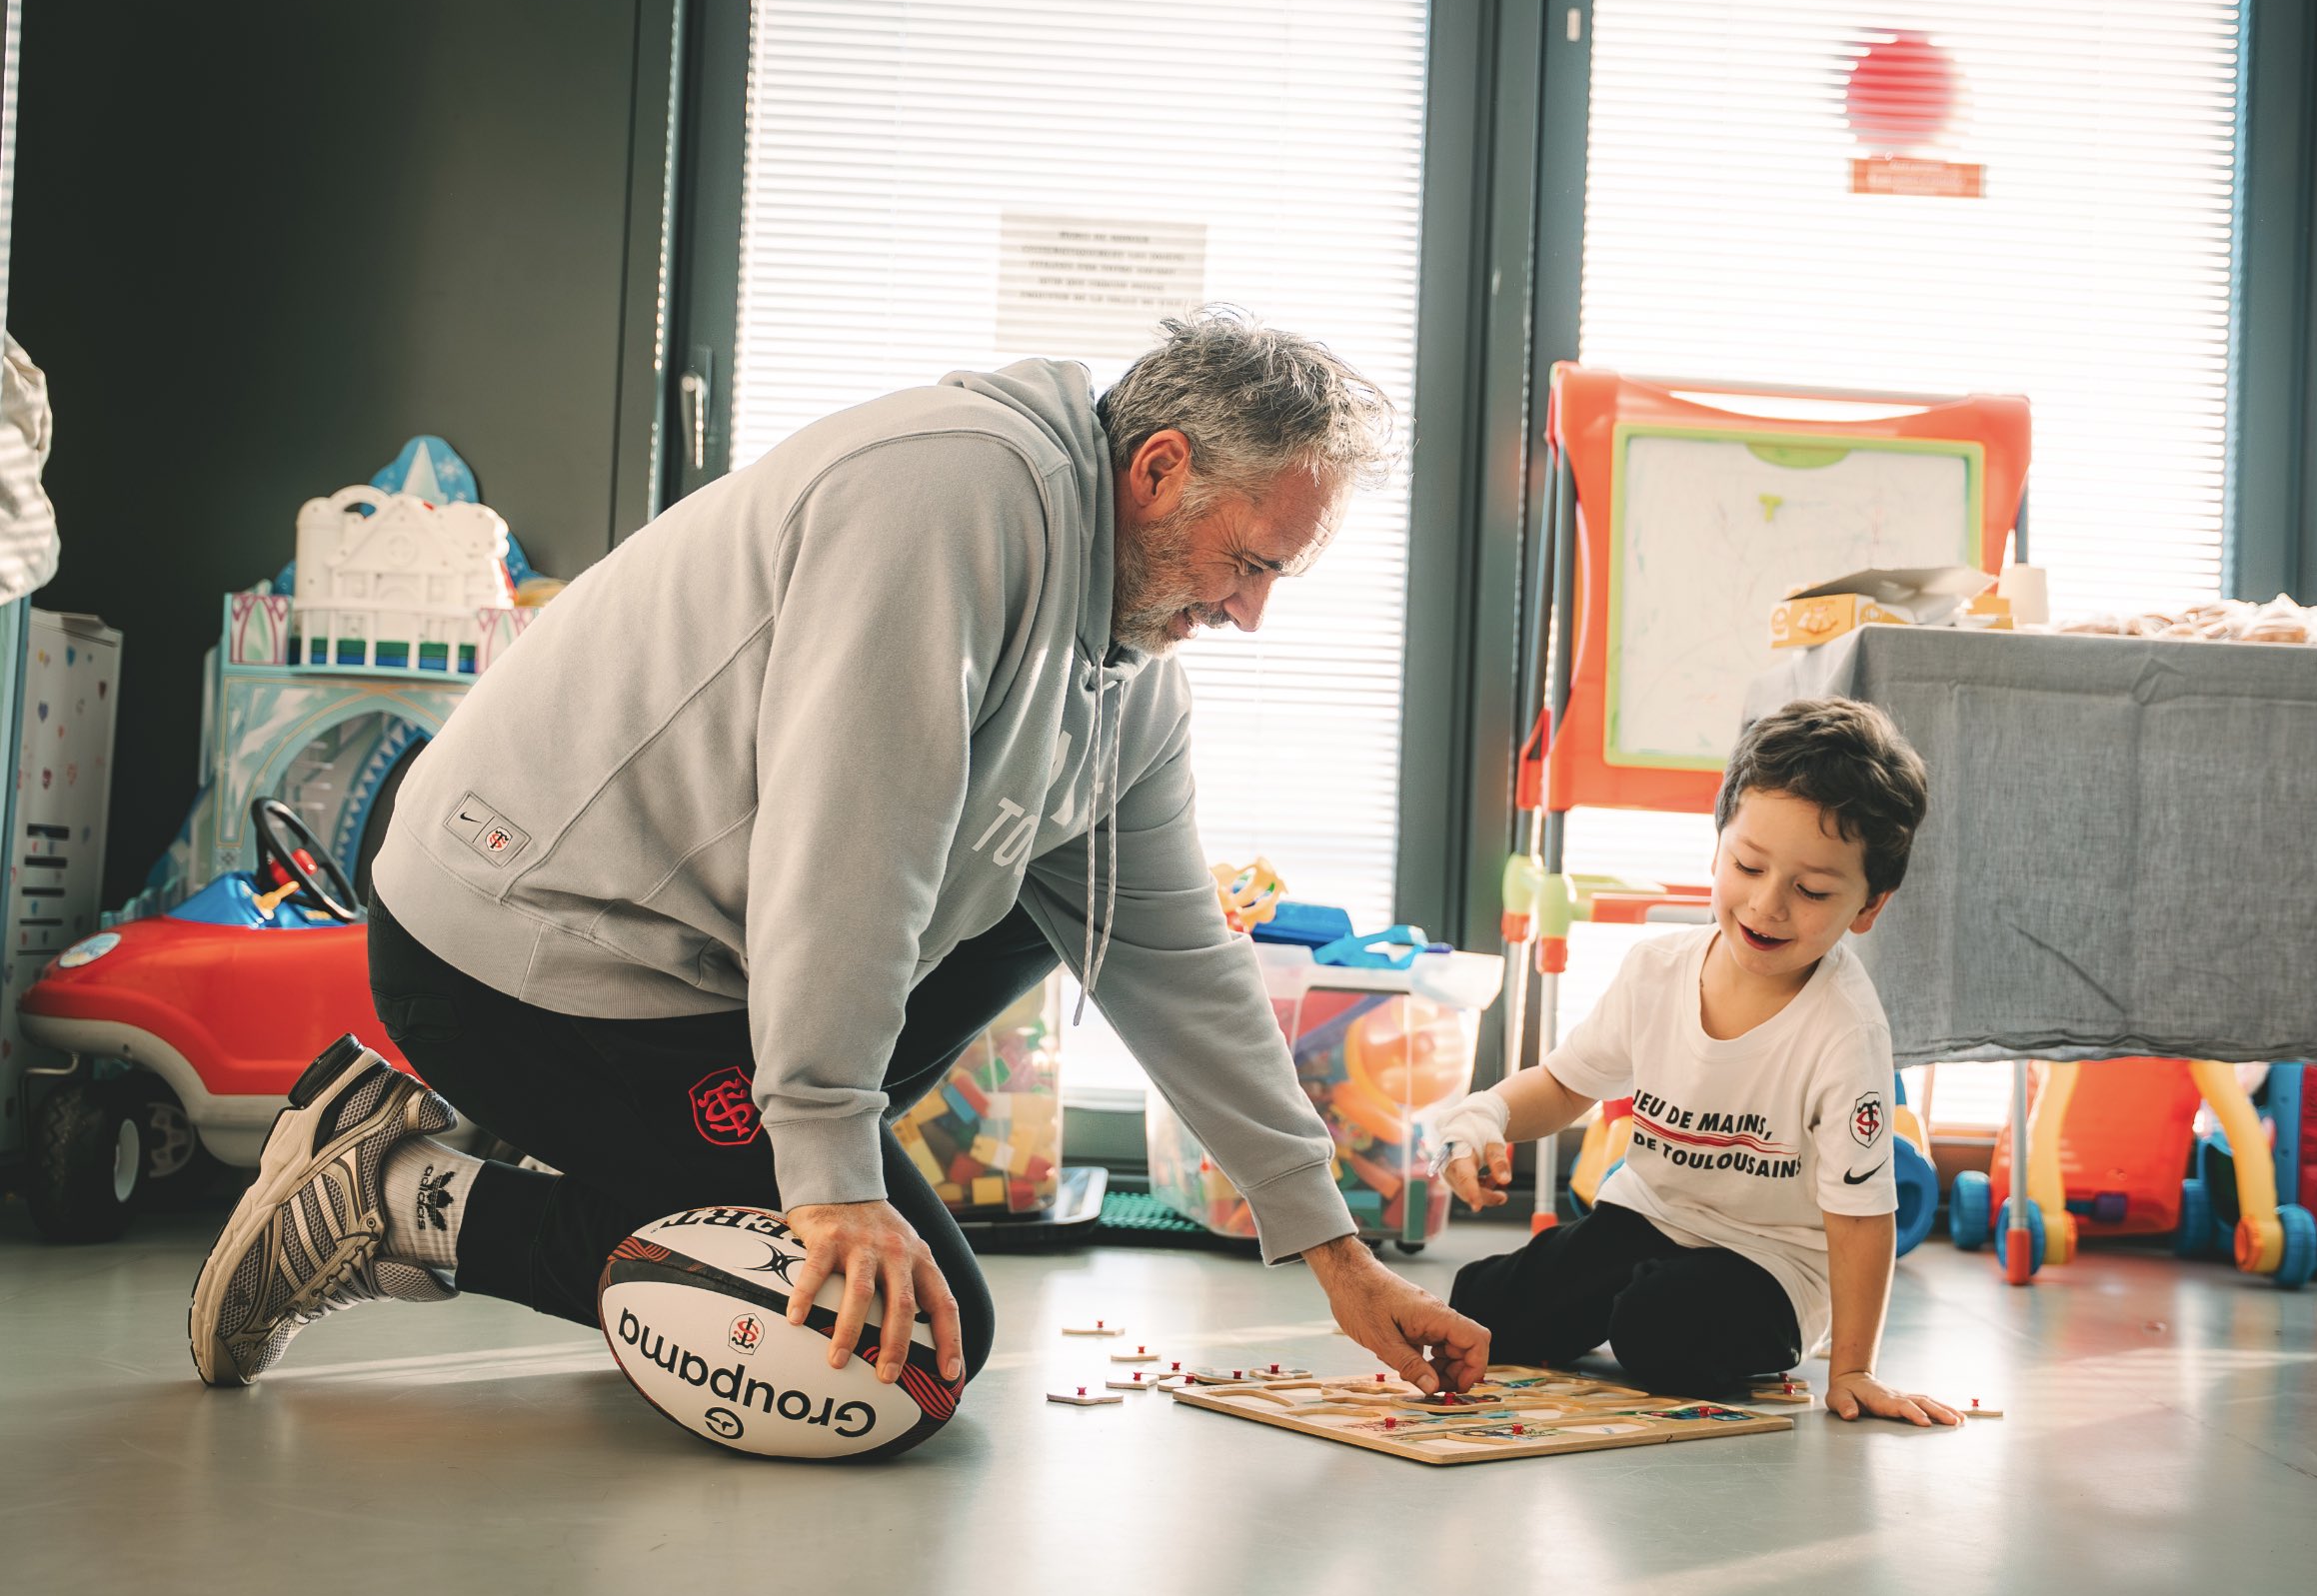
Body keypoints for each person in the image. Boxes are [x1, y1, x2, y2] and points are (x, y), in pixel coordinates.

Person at [187, 309, 1489, 1407]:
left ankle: (649, 1165)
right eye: (1249, 562)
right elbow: (855, 836)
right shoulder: (956, 497)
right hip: (520, 950)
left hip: (689, 964)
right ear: (1156, 470)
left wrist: (1335, 1248)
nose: (1251, 613)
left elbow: (1173, 956)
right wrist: (826, 1175)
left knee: (1063, 895)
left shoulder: (1131, 681)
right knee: (910, 1348)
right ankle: (394, 1189)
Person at [1435, 700, 1959, 1425]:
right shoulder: (1657, 970)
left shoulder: (1846, 1031)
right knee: (1479, 1308)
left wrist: (1855, 1368)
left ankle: (1649, 1307)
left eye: (1811, 891)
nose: (1768, 905)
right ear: (1717, 852)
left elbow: (1863, 1217)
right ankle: (1624, 1296)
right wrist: (1483, 1115)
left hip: (1771, 1265)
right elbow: (1563, 1086)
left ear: (1869, 906)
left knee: (1659, 1329)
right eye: (1747, 866)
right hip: (1646, 1220)